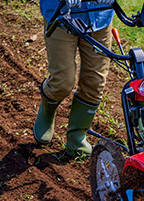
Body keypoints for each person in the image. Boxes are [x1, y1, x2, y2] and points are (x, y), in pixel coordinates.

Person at [33, 0, 115, 156]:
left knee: (95, 82)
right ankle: (47, 109)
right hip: (61, 14)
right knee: (63, 81)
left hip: (100, 15)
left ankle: (77, 137)